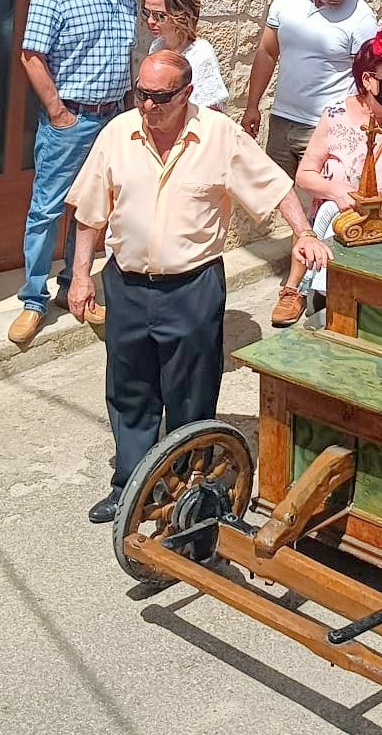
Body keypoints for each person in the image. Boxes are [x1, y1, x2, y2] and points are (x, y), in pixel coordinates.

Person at [67, 51, 327, 522]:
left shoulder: (218, 135)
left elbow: (274, 186)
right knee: (129, 390)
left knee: (190, 393)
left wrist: (304, 233)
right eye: (142, 94)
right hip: (125, 285)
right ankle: (131, 486)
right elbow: (90, 211)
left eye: (161, 97)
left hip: (192, 287)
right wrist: (82, 275)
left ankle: (189, 488)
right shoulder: (117, 135)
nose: (148, 106)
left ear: (187, 94)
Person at [10, 0, 138, 349]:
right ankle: (32, 299)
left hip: (114, 118)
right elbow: (32, 56)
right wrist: (60, 112)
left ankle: (73, 284)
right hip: (74, 119)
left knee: (94, 207)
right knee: (47, 208)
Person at [270, 40, 382, 327]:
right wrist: (335, 191)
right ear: (368, 80)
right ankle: (297, 287)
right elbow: (304, 175)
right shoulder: (336, 116)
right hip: (338, 225)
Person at [241, 0, 378, 180]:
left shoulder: (361, 17)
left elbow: (369, 78)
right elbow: (267, 52)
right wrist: (253, 105)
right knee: (277, 199)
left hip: (328, 127)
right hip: (282, 120)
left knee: (325, 204)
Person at [143, 0, 227, 111]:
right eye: (147, 13)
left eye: (159, 16)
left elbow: (211, 110)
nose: (150, 21)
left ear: (180, 14)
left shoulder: (200, 53)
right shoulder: (157, 46)